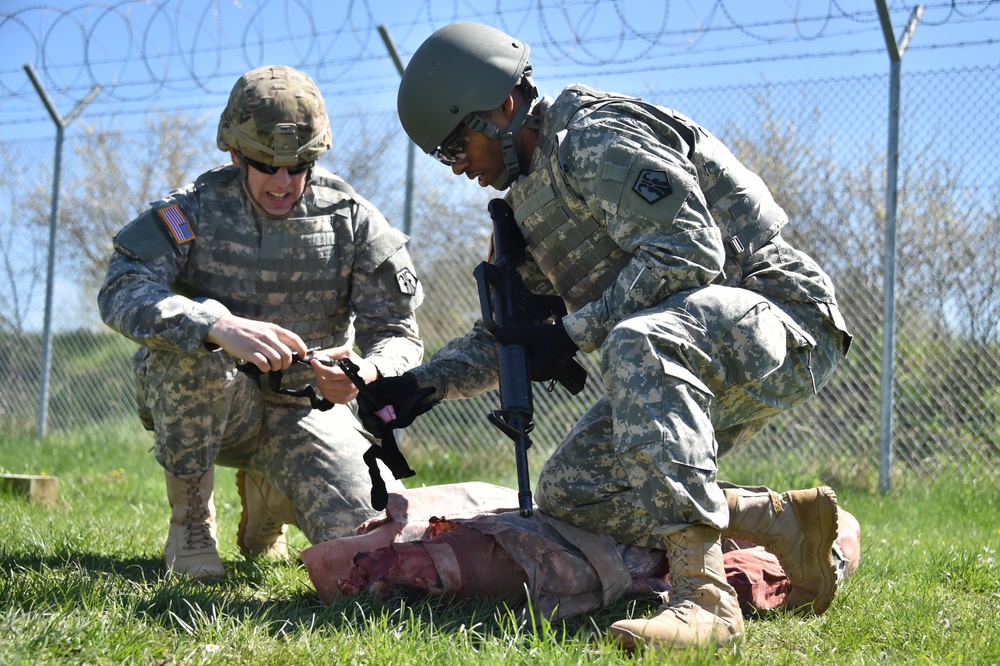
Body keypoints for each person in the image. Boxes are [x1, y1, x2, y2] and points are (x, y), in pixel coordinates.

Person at [366, 22, 853, 653]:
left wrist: (571, 333)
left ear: (502, 108)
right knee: (573, 490)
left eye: (459, 146)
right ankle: (785, 520)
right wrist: (418, 386)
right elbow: (513, 335)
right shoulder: (530, 197)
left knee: (636, 341)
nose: (459, 169)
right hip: (694, 338)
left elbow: (689, 253)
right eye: (444, 157)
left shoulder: (594, 139)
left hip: (782, 315)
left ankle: (704, 600)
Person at [97, 65, 424, 581]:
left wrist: (368, 370)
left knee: (374, 543)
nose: (283, 181)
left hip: (307, 409)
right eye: (266, 164)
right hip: (217, 409)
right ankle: (192, 526)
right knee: (194, 351)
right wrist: (214, 324)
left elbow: (399, 333)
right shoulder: (192, 212)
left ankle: (268, 501)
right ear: (234, 154)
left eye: (298, 167)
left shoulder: (354, 219)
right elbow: (122, 288)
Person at [299, 482, 861, 622]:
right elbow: (325, 564)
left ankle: (795, 530)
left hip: (566, 545)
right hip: (571, 552)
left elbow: (326, 563)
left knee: (840, 538)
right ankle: (796, 531)